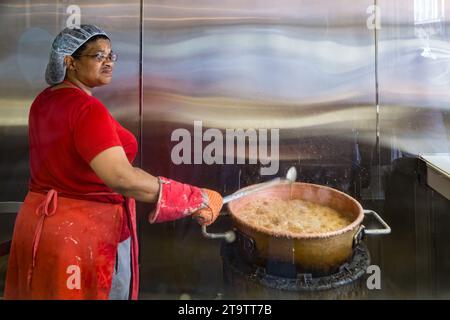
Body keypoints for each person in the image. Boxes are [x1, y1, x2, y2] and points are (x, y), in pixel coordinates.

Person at [4, 25, 223, 300]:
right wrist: (193, 197)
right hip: (81, 237)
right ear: (69, 62)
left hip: (40, 227)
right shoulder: (86, 109)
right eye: (98, 56)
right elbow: (121, 178)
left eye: (111, 55)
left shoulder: (44, 101)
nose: (108, 62)